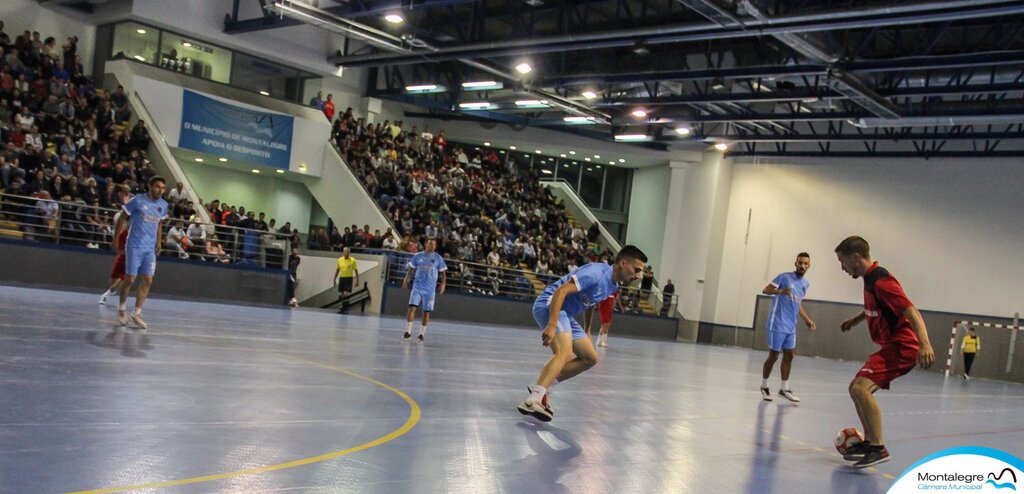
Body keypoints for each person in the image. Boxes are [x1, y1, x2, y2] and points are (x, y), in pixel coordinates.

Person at [835, 236, 934, 468]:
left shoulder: (882, 281)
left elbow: (910, 310)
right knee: (855, 388)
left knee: (861, 387)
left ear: (856, 257)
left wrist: (925, 343)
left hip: (903, 347)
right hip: (892, 346)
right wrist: (856, 320)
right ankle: (870, 442)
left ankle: (878, 448)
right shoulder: (869, 280)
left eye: (843, 262)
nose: (842, 268)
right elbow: (875, 306)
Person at [518, 246, 648, 422]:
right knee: (564, 353)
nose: (638, 276)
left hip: (567, 314)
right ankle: (533, 400)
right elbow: (561, 291)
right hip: (549, 305)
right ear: (623, 263)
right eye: (637, 270)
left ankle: (542, 387)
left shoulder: (613, 285)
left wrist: (587, 330)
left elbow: (591, 302)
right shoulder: (596, 273)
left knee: (590, 357)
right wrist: (552, 323)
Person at [760, 252, 817, 403]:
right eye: (800, 263)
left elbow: (797, 304)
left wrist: (807, 319)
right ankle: (764, 386)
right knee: (774, 355)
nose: (802, 266)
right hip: (777, 323)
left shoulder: (805, 284)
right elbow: (765, 290)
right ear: (795, 263)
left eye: (806, 263)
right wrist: (780, 291)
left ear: (809, 266)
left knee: (789, 355)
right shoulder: (784, 277)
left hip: (791, 326)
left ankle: (784, 388)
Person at [114, 176, 169, 330]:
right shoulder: (137, 201)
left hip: (149, 249)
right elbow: (122, 218)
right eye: (157, 186)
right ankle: (122, 309)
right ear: (150, 186)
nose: (160, 190)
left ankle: (137, 313)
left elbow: (159, 224)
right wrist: (116, 239)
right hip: (134, 246)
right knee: (130, 279)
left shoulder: (163, 205)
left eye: (163, 188)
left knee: (148, 280)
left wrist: (159, 242)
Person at [402, 238, 447, 342]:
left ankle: (421, 334)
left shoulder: (438, 258)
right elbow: (411, 269)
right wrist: (406, 279)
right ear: (426, 244)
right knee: (412, 307)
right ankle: (408, 332)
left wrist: (443, 284)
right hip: (417, 287)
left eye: (434, 244)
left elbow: (443, 273)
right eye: (430, 244)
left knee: (426, 312)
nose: (432, 246)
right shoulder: (417, 256)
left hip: (430, 289)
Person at [98, 213, 129, 305]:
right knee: (113, 281)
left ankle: (105, 295)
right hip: (120, 258)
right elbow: (118, 249)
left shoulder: (130, 232)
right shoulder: (117, 233)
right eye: (119, 222)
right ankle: (110, 292)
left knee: (123, 278)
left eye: (124, 222)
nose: (122, 224)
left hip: (130, 260)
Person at [333, 247, 359, 314]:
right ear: (343, 252)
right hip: (342, 278)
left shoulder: (353, 260)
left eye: (347, 252)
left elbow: (356, 271)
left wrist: (357, 280)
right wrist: (334, 279)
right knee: (342, 294)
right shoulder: (339, 260)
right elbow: (337, 270)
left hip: (349, 278)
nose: (346, 253)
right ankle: (343, 308)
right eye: (345, 252)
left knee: (346, 293)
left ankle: (345, 308)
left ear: (349, 252)